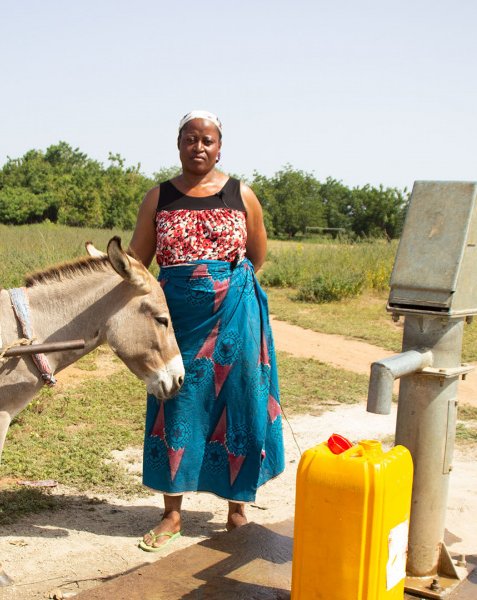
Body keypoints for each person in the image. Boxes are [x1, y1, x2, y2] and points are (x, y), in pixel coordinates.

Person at [129, 110, 285, 552]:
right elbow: (139, 259)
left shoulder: (242, 195)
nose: (199, 147)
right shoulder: (157, 197)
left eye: (208, 140)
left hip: (235, 315)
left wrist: (219, 284)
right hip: (176, 321)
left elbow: (257, 255)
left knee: (239, 404)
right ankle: (172, 514)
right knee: (173, 405)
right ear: (178, 145)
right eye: (191, 139)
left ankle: (237, 512)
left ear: (220, 146)